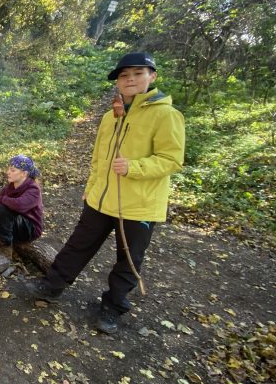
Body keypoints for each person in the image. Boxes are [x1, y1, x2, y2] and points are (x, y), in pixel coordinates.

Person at [25, 52, 186, 334]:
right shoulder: (111, 116)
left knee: (128, 258)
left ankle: (113, 306)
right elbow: (99, 159)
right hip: (101, 198)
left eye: (137, 73)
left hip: (139, 205)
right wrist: (91, 189)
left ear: (152, 76)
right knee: (78, 244)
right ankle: (52, 286)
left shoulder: (166, 115)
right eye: (124, 76)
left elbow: (172, 159)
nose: (130, 80)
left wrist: (134, 166)